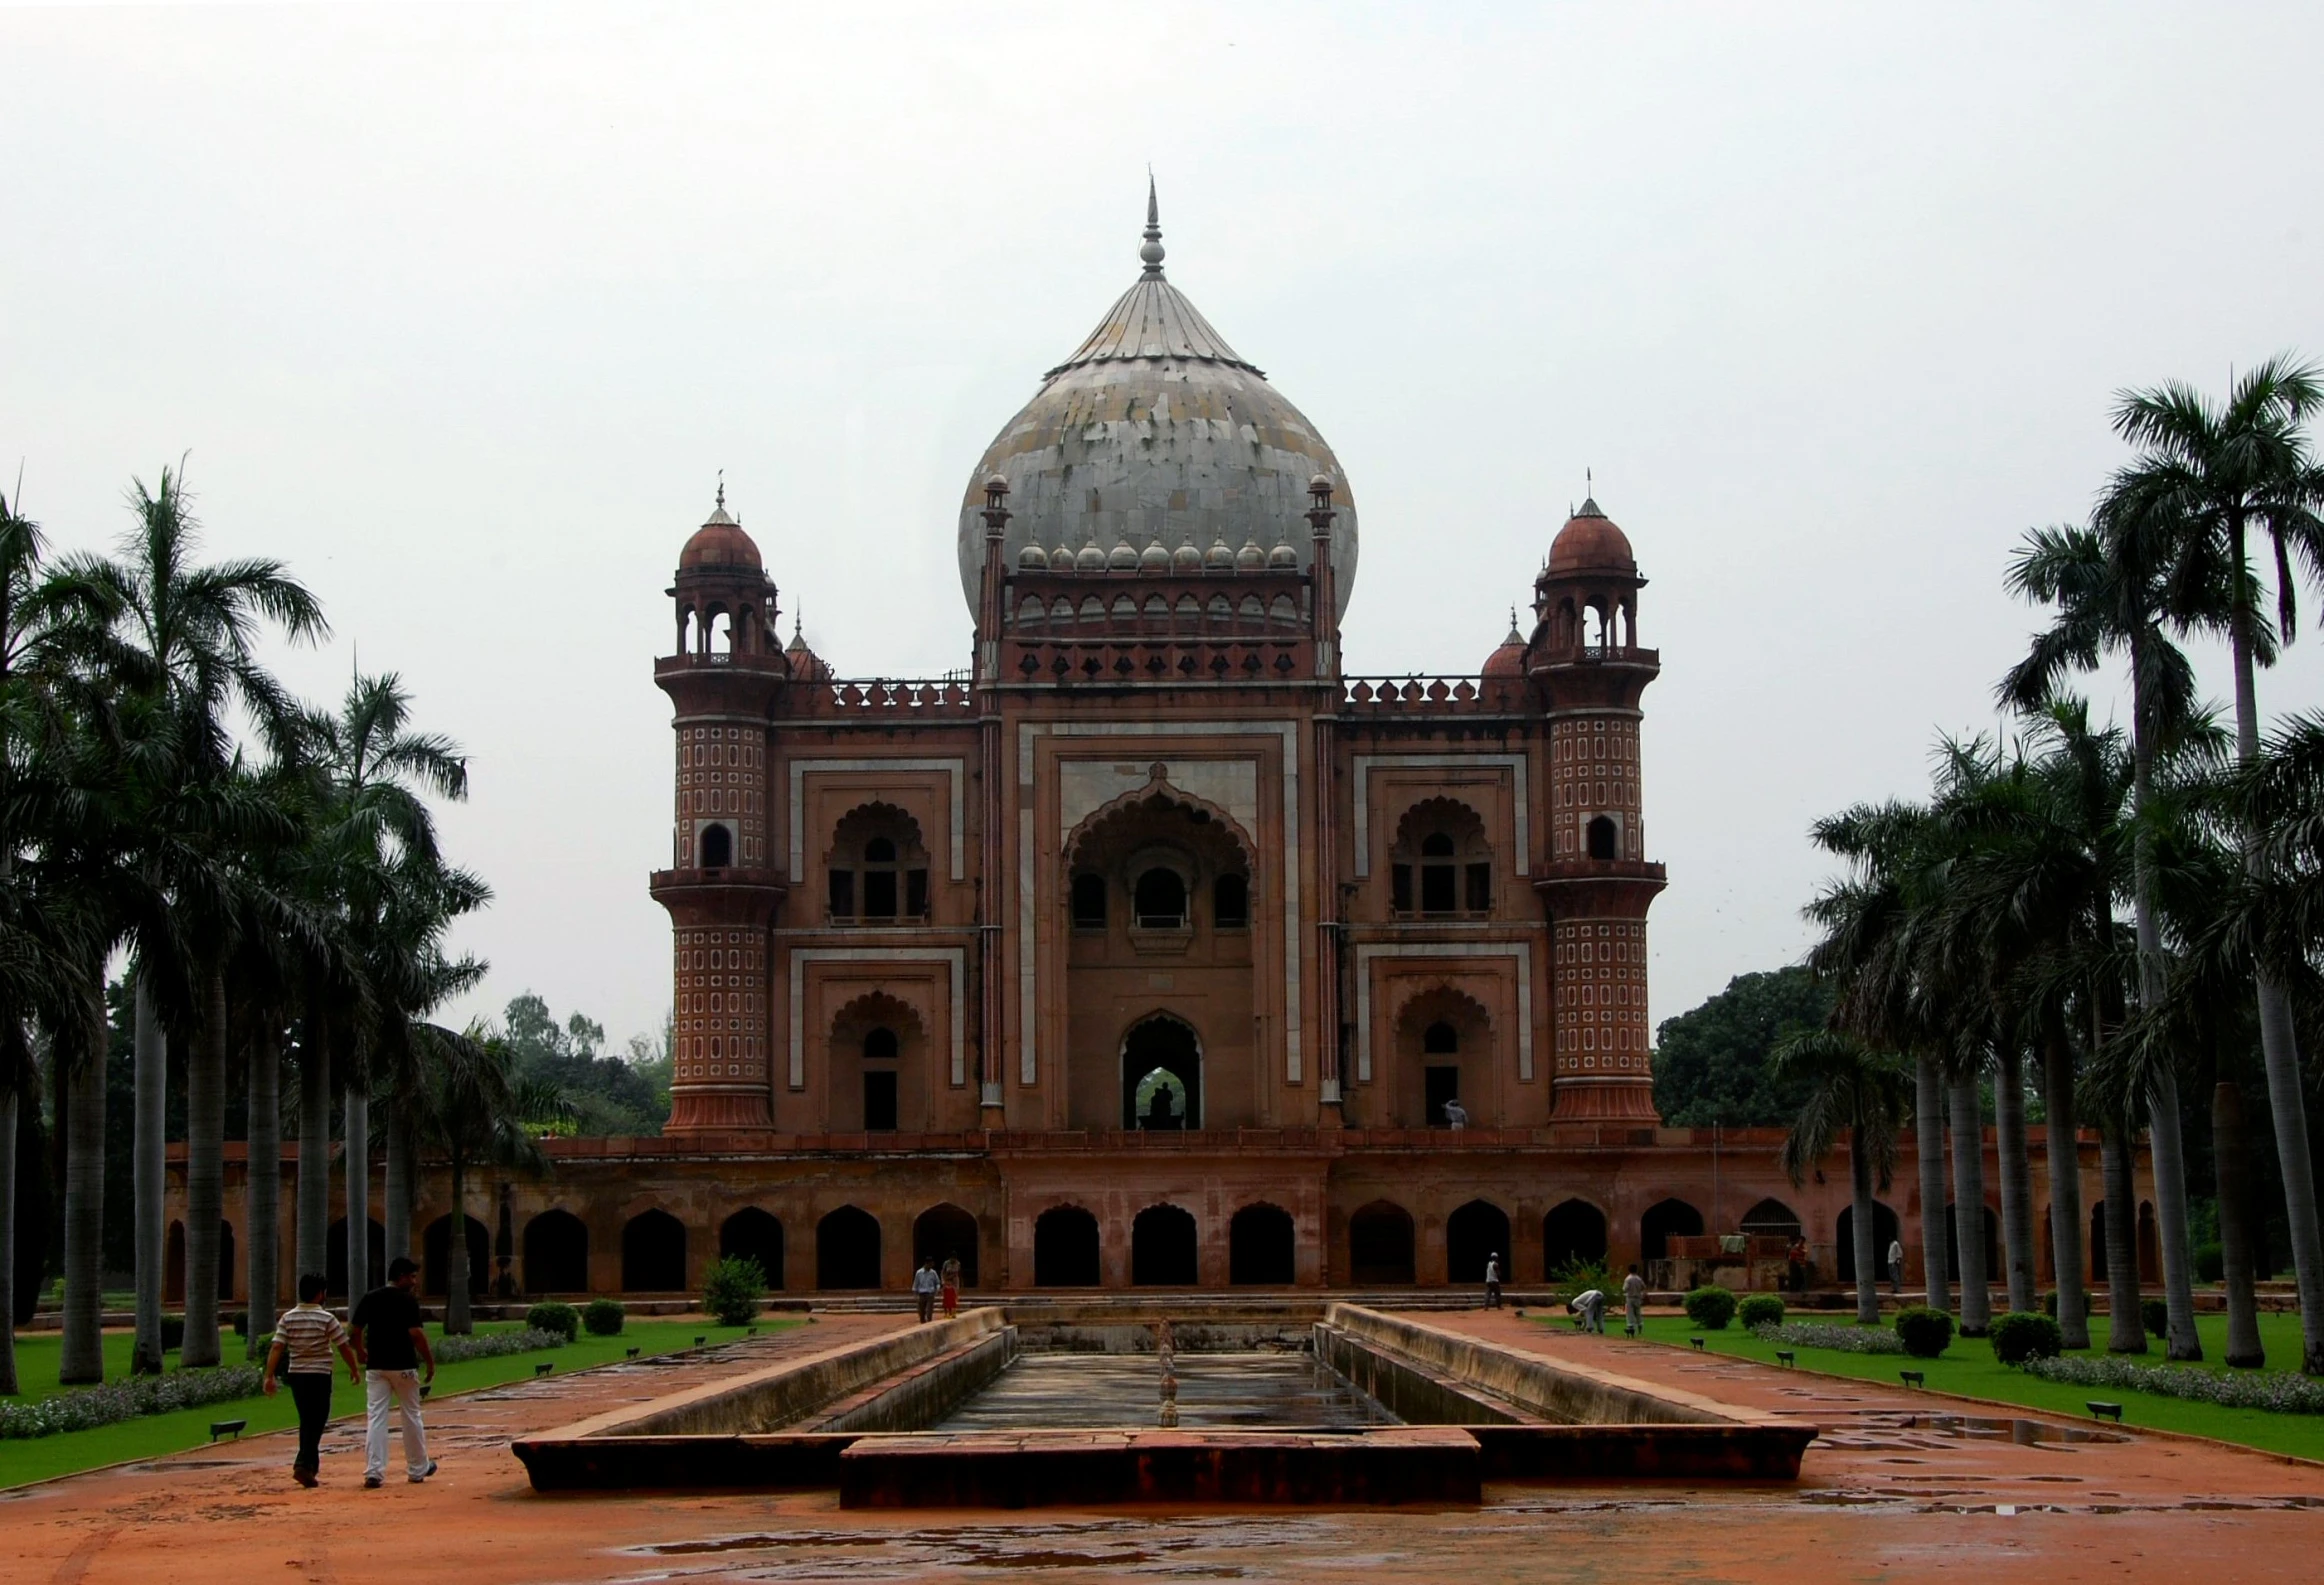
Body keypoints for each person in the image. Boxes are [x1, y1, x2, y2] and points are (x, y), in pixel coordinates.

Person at [263, 1272, 361, 1488]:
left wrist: (268, 1375)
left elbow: (277, 1346)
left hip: (297, 1374)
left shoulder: (288, 1317)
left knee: (307, 1419)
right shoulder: (327, 1318)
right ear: (320, 1294)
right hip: (319, 1374)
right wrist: (354, 1369)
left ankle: (309, 1467)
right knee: (317, 1419)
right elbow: (342, 1346)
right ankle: (302, 1463)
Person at [351, 1255, 436, 1488]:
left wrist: (360, 1351)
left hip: (376, 1366)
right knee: (411, 1414)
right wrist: (429, 1361)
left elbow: (355, 1329)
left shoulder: (371, 1297)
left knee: (376, 1416)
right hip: (403, 1365)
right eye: (412, 1276)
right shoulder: (407, 1300)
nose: (415, 1281)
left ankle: (374, 1471)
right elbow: (416, 1334)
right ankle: (418, 1468)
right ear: (401, 1277)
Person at [912, 1257, 940, 1323]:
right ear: (926, 1264)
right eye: (930, 1264)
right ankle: (922, 1322)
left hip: (930, 1293)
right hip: (921, 1293)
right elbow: (916, 1283)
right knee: (921, 1311)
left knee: (929, 1310)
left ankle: (929, 1322)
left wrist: (937, 1289)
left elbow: (937, 1282)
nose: (931, 1266)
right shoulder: (919, 1272)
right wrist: (915, 1294)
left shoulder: (933, 1273)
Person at [1622, 1263, 1647, 1336]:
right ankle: (1640, 1327)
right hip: (1638, 1297)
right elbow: (1643, 1287)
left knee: (1630, 1314)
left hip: (1630, 1297)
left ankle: (1631, 1327)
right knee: (1638, 1313)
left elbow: (1625, 1289)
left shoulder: (1628, 1279)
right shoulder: (1639, 1279)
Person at [940, 1252, 961, 1319]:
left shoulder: (958, 1263)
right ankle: (947, 1312)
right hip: (947, 1280)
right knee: (946, 1297)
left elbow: (959, 1273)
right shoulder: (946, 1263)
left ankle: (953, 1311)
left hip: (955, 1280)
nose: (953, 1260)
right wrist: (943, 1281)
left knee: (954, 1296)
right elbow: (943, 1272)